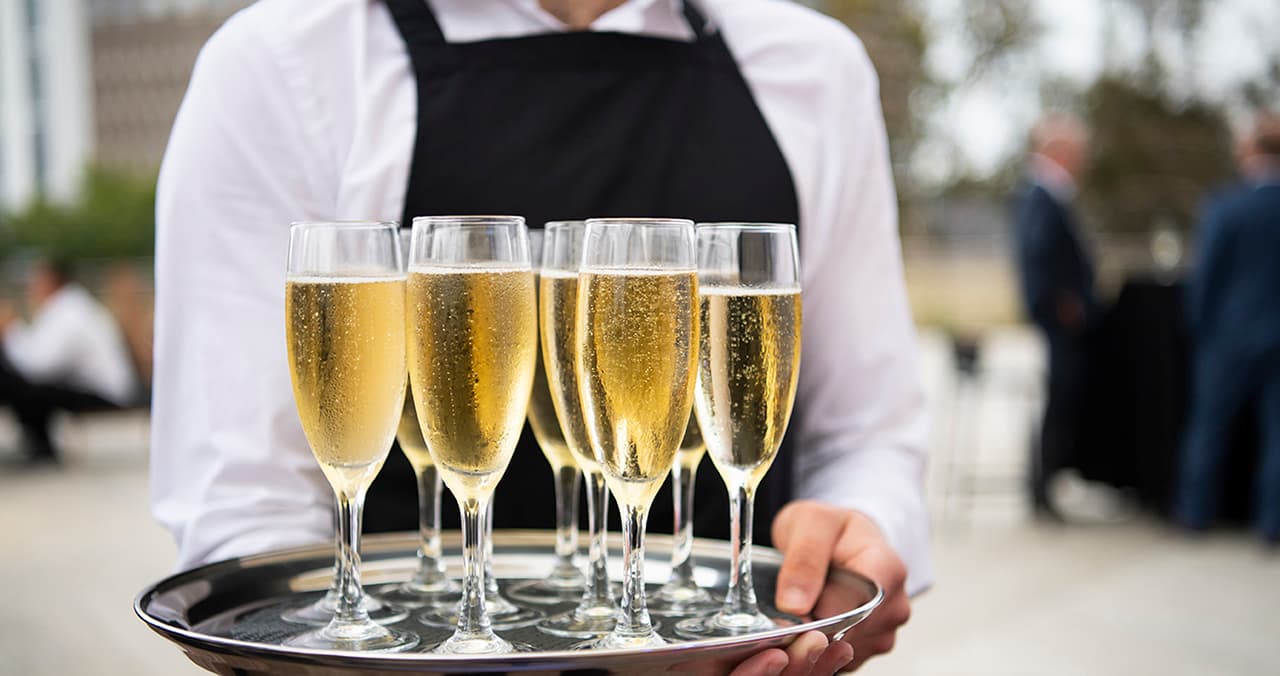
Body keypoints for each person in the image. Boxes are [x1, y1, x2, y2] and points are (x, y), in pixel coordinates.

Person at [152, 1, 930, 671]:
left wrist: (858, 540)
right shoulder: (279, 65)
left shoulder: (815, 69)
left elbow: (869, 434)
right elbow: (244, 510)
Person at [1177, 113, 1280, 544]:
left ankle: (1195, 515)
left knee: (1209, 427)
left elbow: (1206, 280)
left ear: (1249, 151)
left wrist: (1198, 329)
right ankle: (1272, 523)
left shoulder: (1225, 206)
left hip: (1228, 338)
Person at [1011, 112, 1099, 519]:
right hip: (1059, 321)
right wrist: (1064, 303)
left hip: (1060, 318)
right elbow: (1039, 254)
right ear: (1060, 150)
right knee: (1058, 399)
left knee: (1062, 397)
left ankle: (1050, 481)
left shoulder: (1049, 192)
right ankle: (1044, 485)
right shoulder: (1042, 193)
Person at [0, 257, 139, 462]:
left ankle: (42, 449)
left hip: (102, 391)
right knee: (23, 386)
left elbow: (38, 365)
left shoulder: (69, 312)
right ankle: (39, 445)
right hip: (90, 385)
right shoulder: (68, 306)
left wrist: (9, 329)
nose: (29, 286)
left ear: (51, 280)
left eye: (34, 280)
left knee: (22, 388)